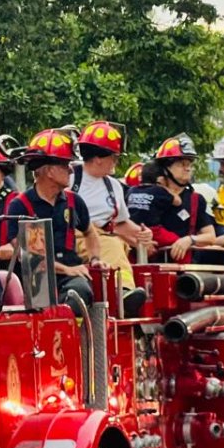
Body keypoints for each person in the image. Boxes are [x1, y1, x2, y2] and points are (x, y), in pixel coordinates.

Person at [1, 128, 102, 317]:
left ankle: (73, 339)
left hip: (70, 277)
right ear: (49, 171)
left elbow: (90, 232)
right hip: (37, 281)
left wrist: (95, 259)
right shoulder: (20, 206)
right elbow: (30, 257)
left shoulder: (74, 201)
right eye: (65, 165)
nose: (71, 170)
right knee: (43, 302)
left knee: (80, 294)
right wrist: (68, 269)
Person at [73, 121, 151, 314]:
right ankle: (122, 292)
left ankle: (122, 294)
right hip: (76, 234)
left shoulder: (114, 186)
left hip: (104, 235)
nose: (116, 162)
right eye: (114, 157)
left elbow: (121, 223)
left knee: (115, 244)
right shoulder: (70, 177)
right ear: (98, 158)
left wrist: (142, 234)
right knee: (113, 246)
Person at [126, 135, 217, 263]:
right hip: (143, 264)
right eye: (181, 163)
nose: (188, 168)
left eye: (190, 163)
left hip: (179, 269)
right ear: (165, 168)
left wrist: (188, 240)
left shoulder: (196, 199)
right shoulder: (148, 194)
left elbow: (210, 237)